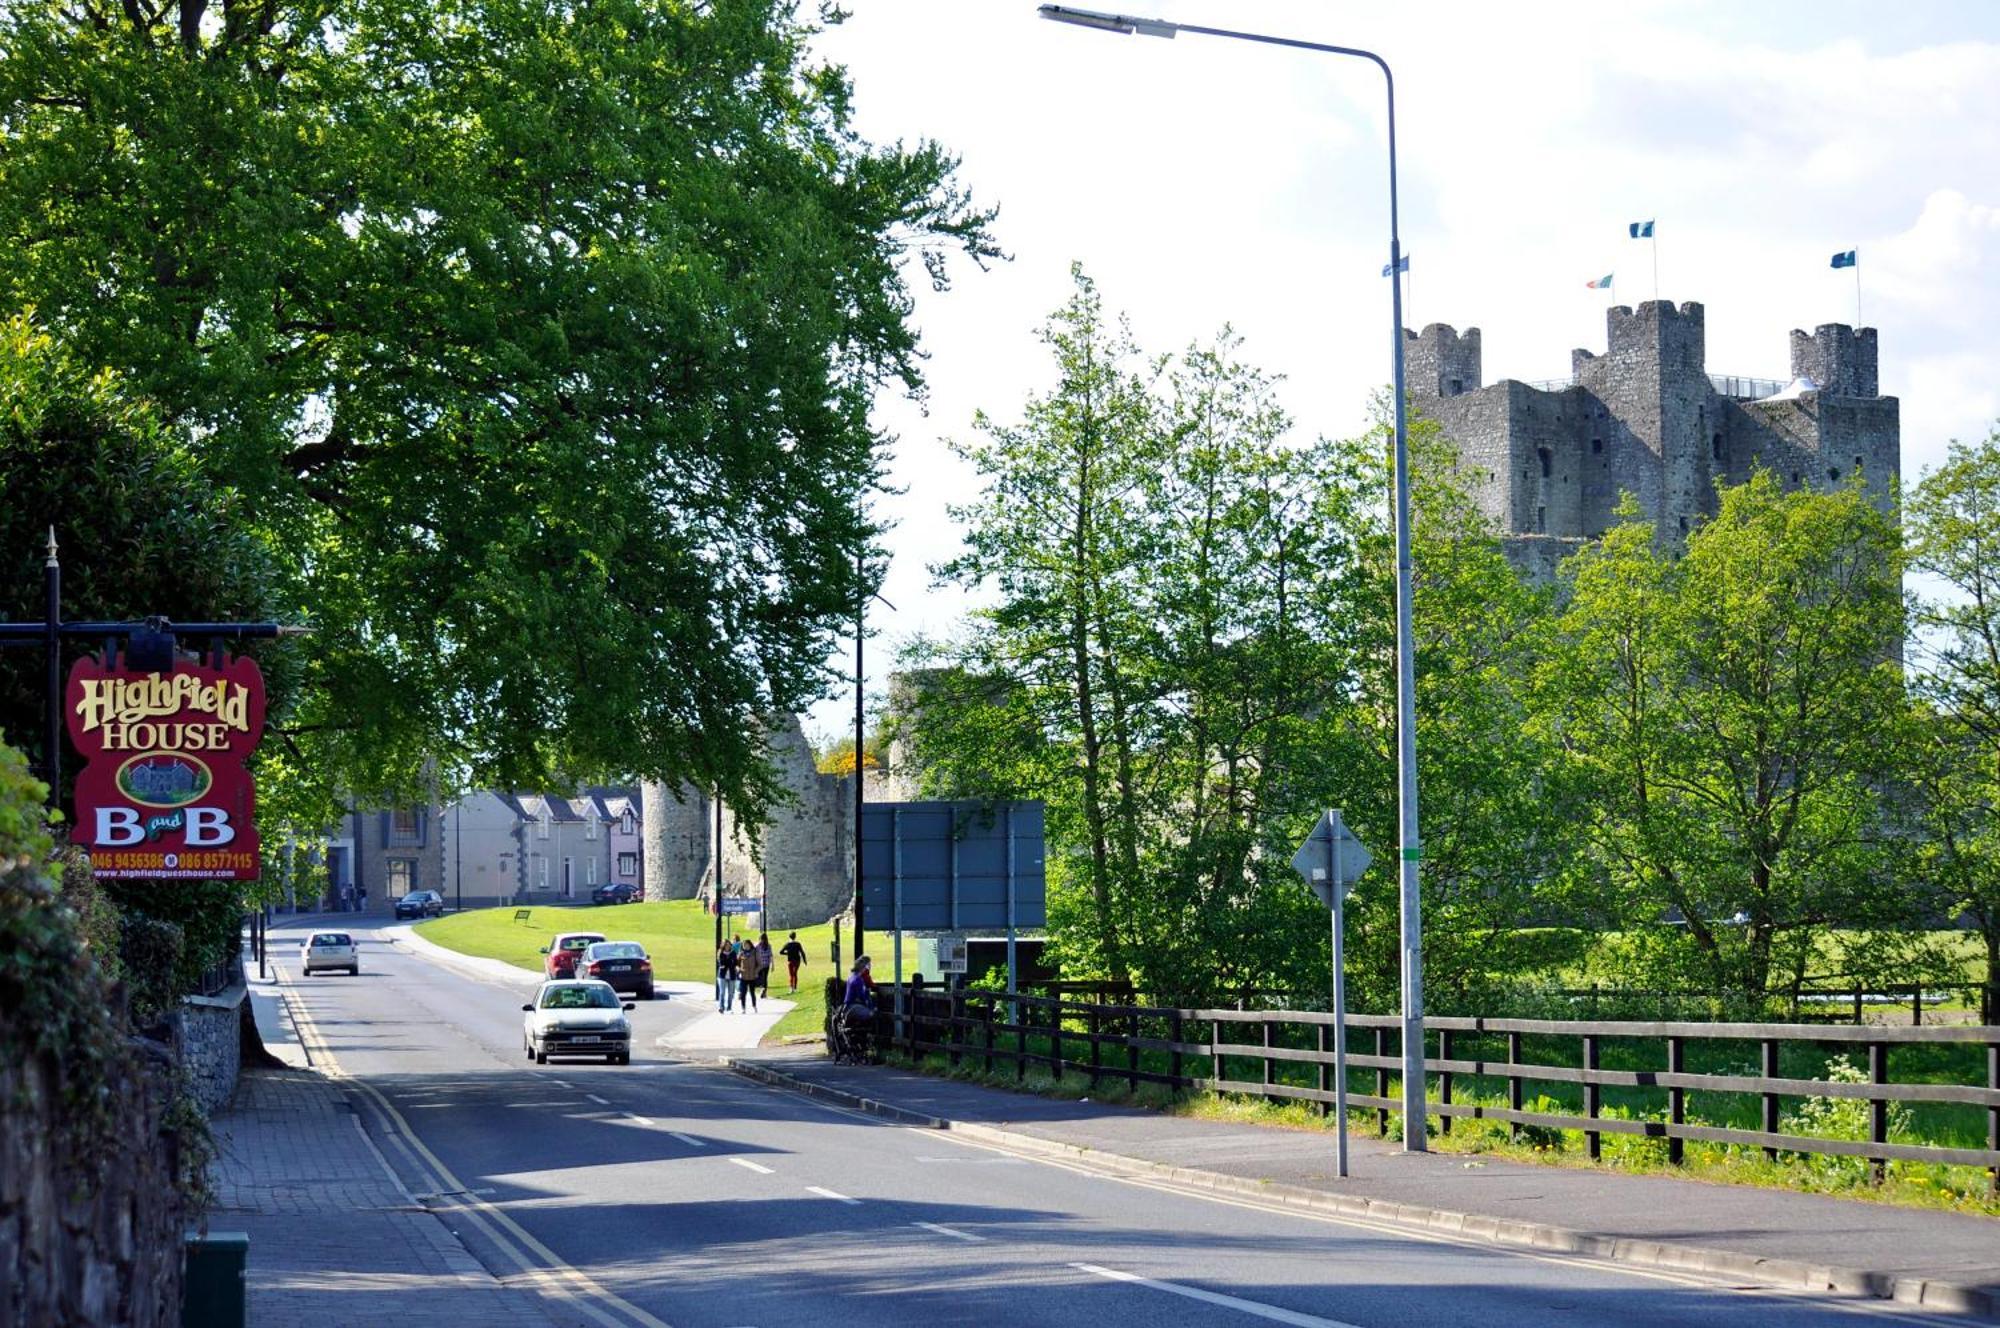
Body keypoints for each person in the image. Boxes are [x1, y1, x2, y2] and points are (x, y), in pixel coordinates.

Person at [736, 938, 762, 1012]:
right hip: (743, 976)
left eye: (747, 945)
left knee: (752, 993)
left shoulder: (754, 952)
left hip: (752, 977)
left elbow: (760, 964)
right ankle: (743, 1008)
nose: (746, 946)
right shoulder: (741, 953)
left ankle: (754, 1006)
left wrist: (755, 971)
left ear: (750, 945)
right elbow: (736, 963)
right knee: (743, 993)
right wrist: (739, 969)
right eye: (744, 945)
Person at [716, 940, 737, 1013]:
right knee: (722, 992)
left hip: (731, 976)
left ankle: (729, 1007)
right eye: (726, 945)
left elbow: (734, 963)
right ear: (723, 946)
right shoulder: (721, 953)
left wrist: (728, 964)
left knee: (731, 993)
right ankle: (721, 1007)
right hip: (722, 976)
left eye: (729, 945)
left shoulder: (733, 953)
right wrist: (729, 963)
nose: (728, 946)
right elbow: (721, 963)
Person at [755, 934, 774, 998]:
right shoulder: (768, 946)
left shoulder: (758, 946)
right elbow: (770, 955)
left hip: (761, 965)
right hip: (765, 965)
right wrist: (772, 965)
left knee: (762, 978)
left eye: (760, 939)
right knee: (764, 978)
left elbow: (770, 955)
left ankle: (763, 990)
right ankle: (764, 991)